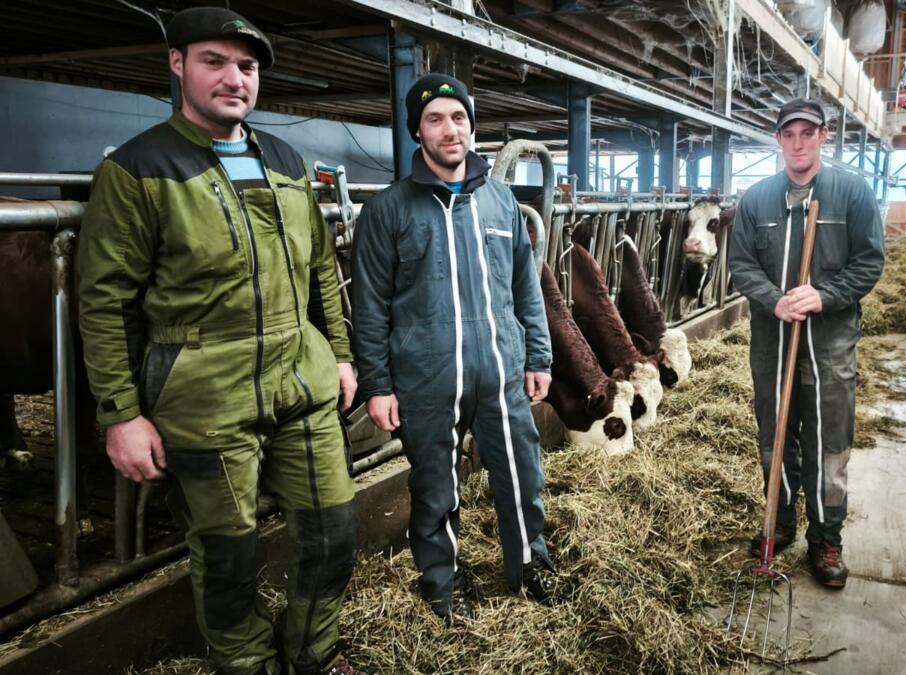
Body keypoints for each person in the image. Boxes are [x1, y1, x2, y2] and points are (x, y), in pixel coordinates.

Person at [77, 8, 360, 674]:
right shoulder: (139, 168)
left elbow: (321, 268)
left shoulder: (286, 161)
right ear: (177, 63)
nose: (235, 79)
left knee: (336, 529)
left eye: (247, 66)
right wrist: (120, 414)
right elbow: (105, 299)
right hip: (202, 390)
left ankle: (314, 654)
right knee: (229, 553)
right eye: (215, 62)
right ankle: (247, 664)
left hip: (301, 377)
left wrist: (341, 356)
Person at [351, 74, 567, 623]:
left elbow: (526, 287)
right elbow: (370, 307)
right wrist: (377, 385)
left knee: (522, 473)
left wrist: (538, 356)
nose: (450, 130)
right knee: (435, 487)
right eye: (435, 119)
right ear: (416, 131)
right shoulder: (389, 210)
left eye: (459, 118)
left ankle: (531, 564)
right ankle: (443, 582)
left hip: (499, 369)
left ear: (472, 127)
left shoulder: (501, 202)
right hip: (427, 377)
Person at [727, 99, 885, 589]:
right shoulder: (756, 200)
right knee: (774, 433)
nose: (798, 143)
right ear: (778, 139)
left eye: (807, 133)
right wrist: (774, 300)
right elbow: (741, 264)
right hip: (772, 340)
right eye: (789, 134)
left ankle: (825, 536)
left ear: (823, 136)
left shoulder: (852, 193)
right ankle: (779, 519)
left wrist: (824, 295)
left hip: (829, 342)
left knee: (828, 440)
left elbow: (869, 262)